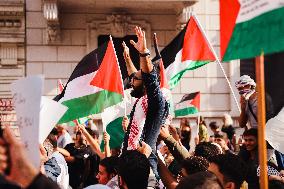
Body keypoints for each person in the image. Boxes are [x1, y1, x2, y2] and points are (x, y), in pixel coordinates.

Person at [121, 26, 169, 178]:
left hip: (145, 168)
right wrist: (127, 58)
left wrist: (143, 53)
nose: (131, 81)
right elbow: (137, 75)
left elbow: (148, 78)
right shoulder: (142, 99)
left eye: (134, 79)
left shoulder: (156, 101)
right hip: (131, 164)